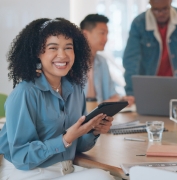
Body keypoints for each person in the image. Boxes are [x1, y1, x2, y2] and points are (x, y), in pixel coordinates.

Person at [0, 18, 114, 179]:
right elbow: (21, 157)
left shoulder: (75, 89)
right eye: (53, 48)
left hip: (65, 169)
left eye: (69, 47)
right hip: (28, 173)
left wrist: (93, 130)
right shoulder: (25, 93)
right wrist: (66, 139)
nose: (62, 55)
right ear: (38, 53)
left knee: (106, 176)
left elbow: (79, 145)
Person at [122, 0, 177, 104]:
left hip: (173, 84)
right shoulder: (139, 23)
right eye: (155, 10)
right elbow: (131, 60)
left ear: (171, 2)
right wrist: (132, 92)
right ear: (150, 4)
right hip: (148, 86)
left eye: (165, 9)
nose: (160, 13)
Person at [80, 14, 120, 102]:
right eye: (102, 33)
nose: (106, 39)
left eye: (107, 34)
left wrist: (122, 100)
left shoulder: (102, 61)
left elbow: (112, 95)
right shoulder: (70, 62)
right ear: (85, 34)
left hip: (100, 114)